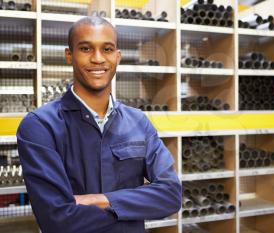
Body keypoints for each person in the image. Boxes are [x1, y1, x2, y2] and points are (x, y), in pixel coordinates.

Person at [16, 16, 182, 233]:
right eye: (85, 49)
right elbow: (56, 218)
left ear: (117, 56)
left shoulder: (138, 122)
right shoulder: (40, 126)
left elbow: (171, 195)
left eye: (107, 49)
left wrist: (97, 200)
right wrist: (133, 207)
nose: (97, 59)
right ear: (69, 55)